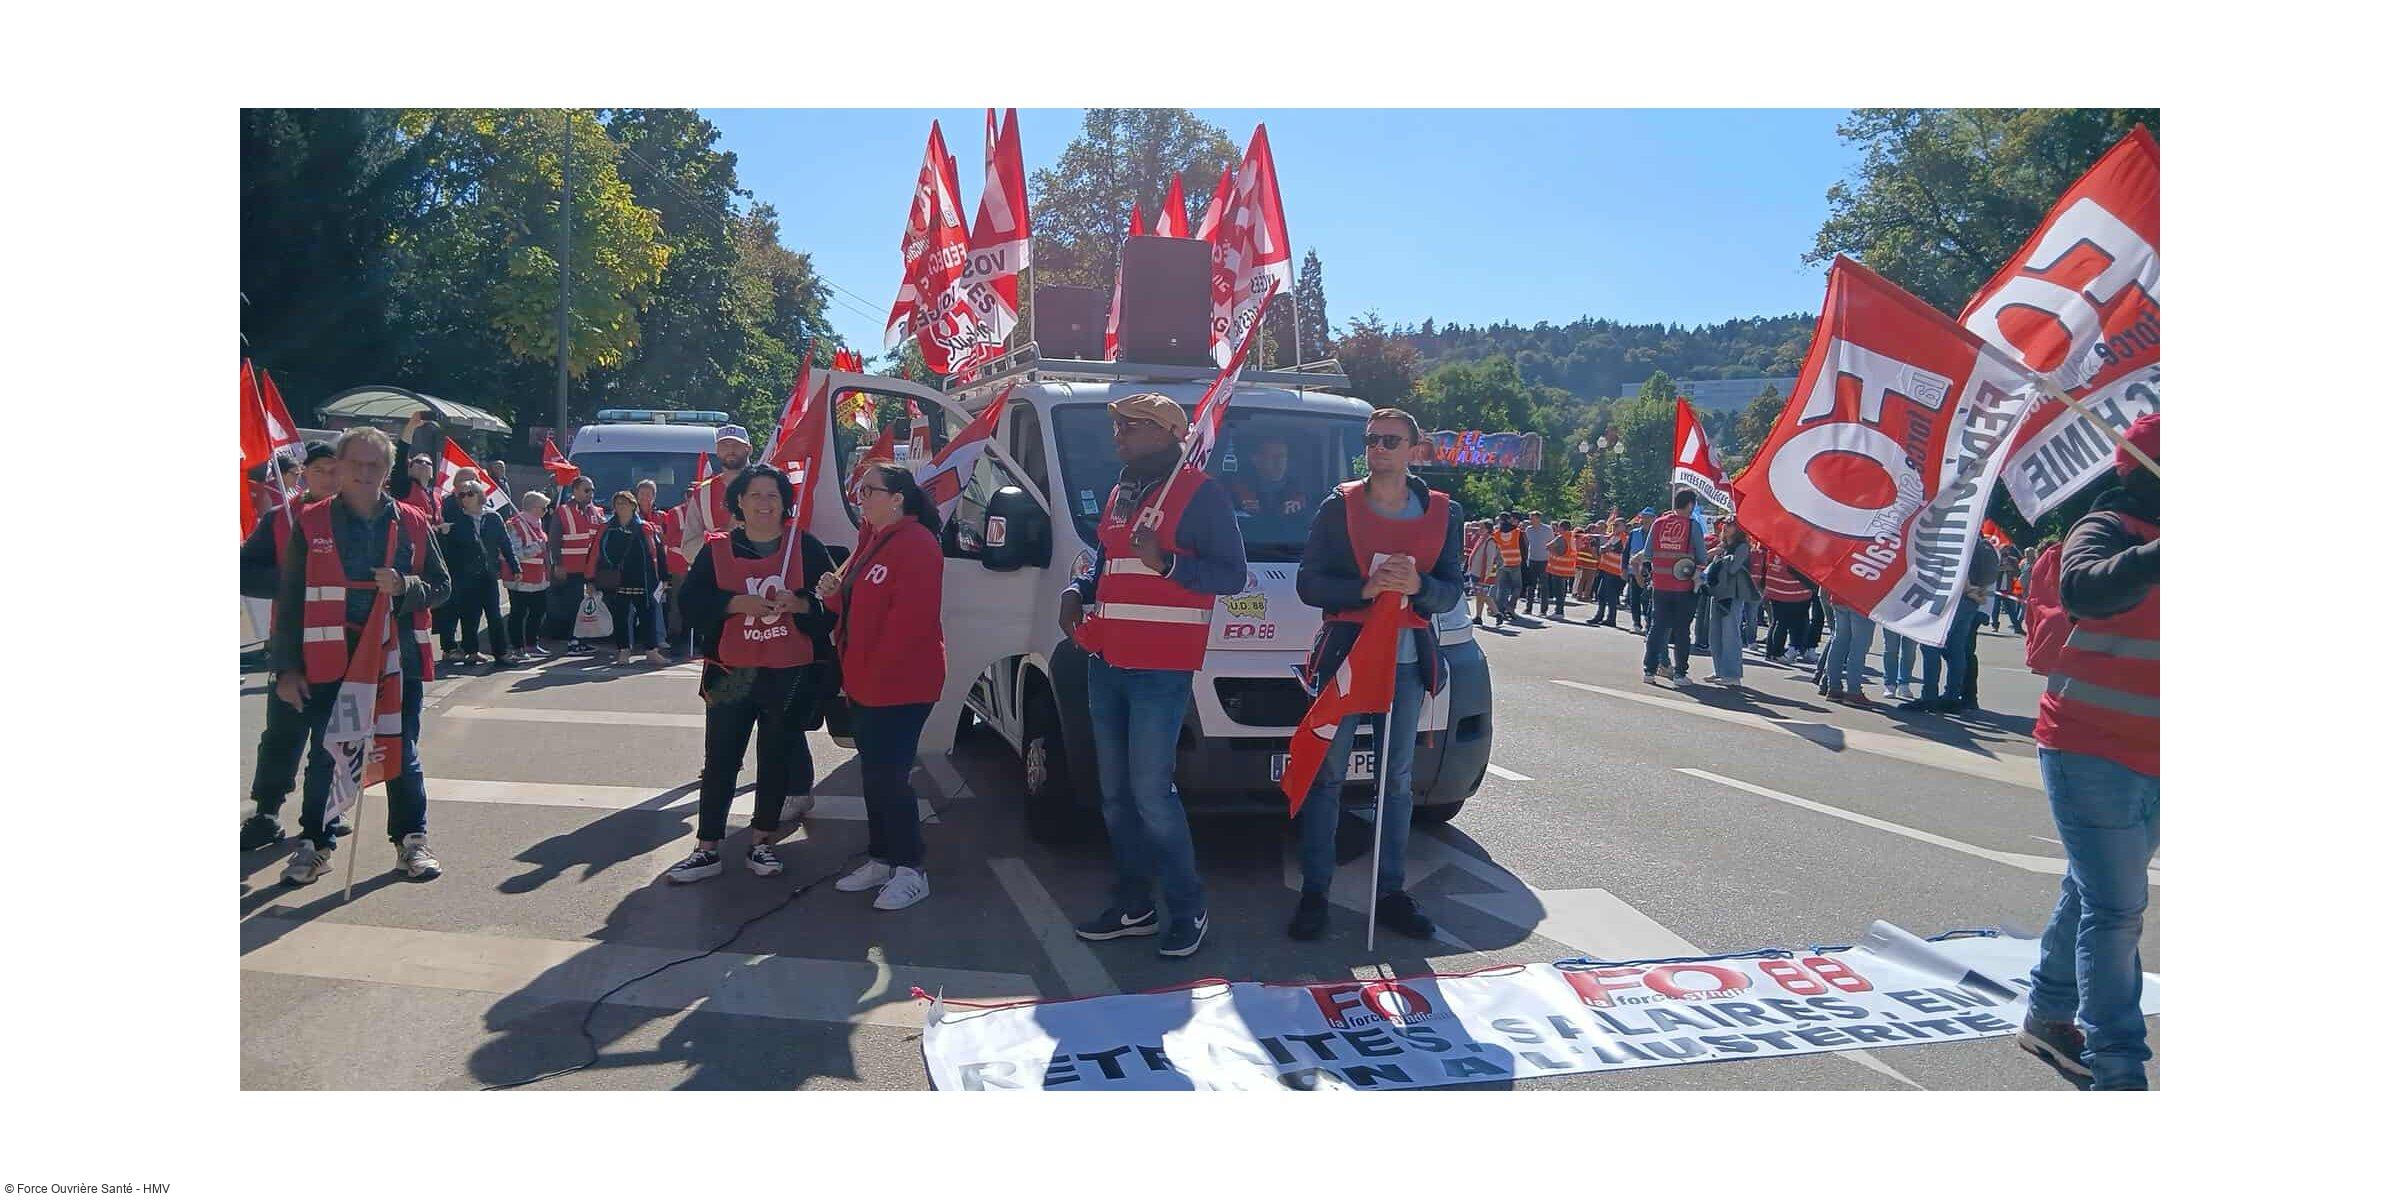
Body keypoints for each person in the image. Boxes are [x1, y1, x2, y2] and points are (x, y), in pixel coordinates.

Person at [1059, 392, 1249, 959]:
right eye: (1117, 426)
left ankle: (1188, 909)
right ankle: (1134, 906)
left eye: (1130, 426)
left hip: (1160, 670)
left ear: (1167, 433)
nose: (1117, 435)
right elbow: (1107, 562)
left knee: (1150, 795)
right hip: (1107, 661)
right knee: (1115, 796)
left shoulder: (1201, 493)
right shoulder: (1122, 491)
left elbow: (1232, 575)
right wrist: (1077, 590)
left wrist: (1167, 563)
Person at [2019, 414, 2160, 1092]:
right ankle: (2118, 1067)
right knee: (2116, 908)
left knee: (2093, 889)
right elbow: (2085, 588)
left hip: (2160, 750)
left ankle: (2048, 1015)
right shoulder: (2106, 526)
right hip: (2090, 748)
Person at [1288, 408, 1465, 942]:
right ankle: (1315, 893)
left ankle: (1389, 892)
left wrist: (1419, 587)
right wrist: (1364, 590)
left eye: (1390, 440)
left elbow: (1451, 590)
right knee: (1328, 778)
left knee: (1397, 782)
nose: (1378, 448)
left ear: (1415, 448)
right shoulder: (1338, 506)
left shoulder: (1443, 512)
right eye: (1371, 439)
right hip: (1347, 658)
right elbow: (1308, 583)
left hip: (1407, 665)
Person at [271, 426, 451, 885]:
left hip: (396, 660)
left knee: (400, 751)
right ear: (340, 466)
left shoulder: (412, 520)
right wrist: (286, 669)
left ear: (388, 470)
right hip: (330, 659)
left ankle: (411, 840)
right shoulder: (311, 522)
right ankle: (315, 843)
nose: (365, 473)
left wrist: (406, 585)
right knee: (326, 753)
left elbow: (442, 585)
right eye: (357, 463)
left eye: (376, 465)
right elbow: (290, 599)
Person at [669, 465, 836, 885]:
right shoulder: (716, 550)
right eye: (756, 495)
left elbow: (831, 607)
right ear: (739, 502)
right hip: (731, 672)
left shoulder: (806, 546)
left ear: (785, 503)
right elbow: (690, 603)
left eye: (773, 496)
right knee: (721, 759)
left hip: (788, 673)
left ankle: (762, 841)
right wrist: (734, 604)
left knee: (776, 757)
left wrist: (802, 605)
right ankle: (707, 847)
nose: (765, 503)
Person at [818, 462, 948, 911]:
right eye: (860, 490)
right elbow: (854, 606)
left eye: (869, 490)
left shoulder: (917, 544)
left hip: (901, 683)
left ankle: (911, 869)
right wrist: (832, 593)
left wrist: (871, 673)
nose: (861, 498)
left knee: (892, 778)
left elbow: (909, 624)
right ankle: (881, 858)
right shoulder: (871, 539)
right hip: (866, 680)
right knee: (874, 775)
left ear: (897, 498)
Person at [240, 441, 341, 851]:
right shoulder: (280, 518)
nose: (328, 478)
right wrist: (288, 580)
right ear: (303, 473)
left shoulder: (357, 518)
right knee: (281, 735)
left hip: (344, 648)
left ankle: (326, 812)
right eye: (319, 470)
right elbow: (244, 571)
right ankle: (266, 813)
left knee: (332, 738)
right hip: (291, 646)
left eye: (335, 470)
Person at [1906, 535, 2000, 715]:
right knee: (1957, 650)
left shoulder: (1960, 538)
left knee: (1930, 646)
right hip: (1972, 601)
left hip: (1951, 599)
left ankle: (1929, 696)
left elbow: (1951, 569)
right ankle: (1952, 696)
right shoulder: (1983, 546)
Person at [437, 476, 520, 668]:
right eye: (461, 495)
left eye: (469, 494)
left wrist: (515, 566)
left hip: (488, 574)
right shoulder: (456, 520)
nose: (465, 498)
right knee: (469, 616)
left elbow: (505, 543)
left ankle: (501, 652)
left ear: (479, 495)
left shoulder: (493, 517)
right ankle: (472, 651)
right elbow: (448, 550)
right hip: (465, 575)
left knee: (494, 615)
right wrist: (443, 534)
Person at [596, 490, 670, 667]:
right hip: (618, 579)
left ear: (633, 506)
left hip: (644, 579)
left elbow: (658, 553)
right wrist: (591, 578)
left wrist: (664, 577)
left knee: (648, 615)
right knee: (620, 617)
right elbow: (597, 554)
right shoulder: (608, 528)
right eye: (618, 503)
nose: (621, 507)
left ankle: (651, 652)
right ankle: (623, 651)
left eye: (625, 503)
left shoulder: (646, 527)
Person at [1639, 491, 1701, 684]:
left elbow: (1647, 554)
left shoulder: (1658, 523)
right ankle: (1680, 674)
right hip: (1683, 586)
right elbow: (1701, 556)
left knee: (1657, 628)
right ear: (1690, 505)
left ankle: (1649, 671)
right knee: (1682, 631)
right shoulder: (1692, 526)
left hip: (1660, 585)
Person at [547, 474, 604, 652]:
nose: (590, 494)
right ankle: (574, 641)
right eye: (586, 490)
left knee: (588, 606)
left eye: (592, 490)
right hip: (571, 568)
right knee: (574, 605)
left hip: (591, 568)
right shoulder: (563, 511)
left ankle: (582, 639)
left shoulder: (598, 512)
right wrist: (558, 564)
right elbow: (554, 540)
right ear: (575, 491)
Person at [1699, 521, 1758, 687]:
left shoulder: (1742, 547)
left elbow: (1733, 568)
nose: (1725, 527)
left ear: (1738, 529)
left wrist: (1720, 558)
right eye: (1724, 524)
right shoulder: (1722, 546)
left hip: (1732, 595)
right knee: (1715, 633)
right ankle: (1719, 670)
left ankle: (1732, 674)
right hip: (1718, 593)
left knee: (1730, 634)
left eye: (1730, 525)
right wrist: (1715, 554)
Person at [504, 491, 553, 656]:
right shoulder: (514, 525)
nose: (546, 511)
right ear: (533, 508)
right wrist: (538, 547)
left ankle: (532, 644)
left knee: (539, 611)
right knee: (518, 613)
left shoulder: (536, 523)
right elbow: (514, 553)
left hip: (538, 577)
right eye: (544, 508)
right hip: (520, 578)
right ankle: (517, 647)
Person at [1228, 434, 1312, 519]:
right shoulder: (1239, 490)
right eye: (1273, 457)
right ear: (1256, 460)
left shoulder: (1299, 491)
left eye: (1282, 456)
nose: (1279, 462)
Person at [1760, 547, 1817, 664]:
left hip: (1774, 587)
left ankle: (1770, 653)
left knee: (1776, 622)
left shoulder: (1775, 546)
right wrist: (1813, 586)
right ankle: (1777, 653)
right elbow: (1797, 570)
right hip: (1789, 590)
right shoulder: (1795, 550)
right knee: (1783, 623)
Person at [2022, 535, 2069, 675]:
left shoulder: (2043, 564)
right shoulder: (2059, 558)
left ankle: (2039, 662)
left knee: (2036, 631)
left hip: (2041, 607)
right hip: (2059, 609)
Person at [1821, 598, 1876, 705]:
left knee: (1839, 643)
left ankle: (1834, 687)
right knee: (1858, 647)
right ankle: (1853, 691)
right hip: (1864, 601)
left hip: (1840, 598)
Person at [1587, 517, 1629, 627]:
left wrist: (1604, 549)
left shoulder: (1623, 538)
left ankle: (1610, 619)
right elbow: (1603, 549)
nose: (1614, 527)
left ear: (1624, 527)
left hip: (1615, 572)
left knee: (1611, 596)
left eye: (1617, 525)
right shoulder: (1613, 536)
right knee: (1601, 594)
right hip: (1607, 569)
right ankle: (1600, 616)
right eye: (1613, 525)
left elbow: (1607, 549)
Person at [1486, 513, 1524, 623]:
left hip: (1502, 562)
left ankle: (1500, 610)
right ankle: (1511, 607)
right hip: (1515, 562)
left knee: (1502, 588)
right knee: (1517, 587)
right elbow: (1523, 547)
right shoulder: (1517, 532)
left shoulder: (1496, 534)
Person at [1464, 519, 1498, 626]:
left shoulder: (1490, 541)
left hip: (1482, 574)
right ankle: (1479, 616)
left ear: (1487, 529)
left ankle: (1497, 613)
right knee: (1479, 595)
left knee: (1482, 594)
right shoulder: (1482, 538)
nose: (1479, 529)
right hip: (1475, 571)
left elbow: (1490, 559)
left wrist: (1487, 574)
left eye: (1482, 527)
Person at [1520, 510, 1552, 620]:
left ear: (1538, 518)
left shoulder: (1547, 529)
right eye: (1530, 518)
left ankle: (1543, 610)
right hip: (1532, 560)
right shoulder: (1528, 530)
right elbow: (1527, 543)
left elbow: (1551, 543)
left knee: (1544, 586)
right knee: (1530, 585)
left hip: (1544, 560)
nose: (1531, 521)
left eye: (1532, 518)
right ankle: (1528, 608)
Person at [1625, 509, 1653, 633]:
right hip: (1634, 570)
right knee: (1634, 598)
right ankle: (1636, 624)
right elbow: (1626, 552)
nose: (1646, 520)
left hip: (1649, 571)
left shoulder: (1656, 533)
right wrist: (1623, 569)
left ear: (1653, 519)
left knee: (1647, 599)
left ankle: (1648, 624)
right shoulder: (1634, 533)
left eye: (1649, 517)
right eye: (1644, 517)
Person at [1542, 523, 1576, 618]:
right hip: (1567, 568)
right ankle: (1559, 611)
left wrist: (1551, 550)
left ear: (1561, 528)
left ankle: (1559, 612)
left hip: (1558, 568)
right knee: (1562, 591)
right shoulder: (1571, 537)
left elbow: (1548, 546)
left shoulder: (1561, 537)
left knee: (1558, 592)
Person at [392, 451, 440, 519]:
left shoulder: (437, 497)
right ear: (409, 469)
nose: (424, 464)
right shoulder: (403, 486)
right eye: (419, 461)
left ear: (432, 474)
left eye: (428, 463)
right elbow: (400, 458)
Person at [1880, 624, 1919, 702]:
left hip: (1913, 619)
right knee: (1891, 650)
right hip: (1892, 618)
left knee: (1909, 651)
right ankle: (1890, 684)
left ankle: (1904, 684)